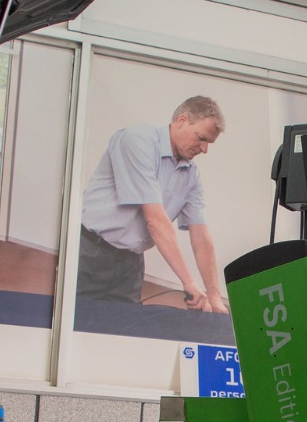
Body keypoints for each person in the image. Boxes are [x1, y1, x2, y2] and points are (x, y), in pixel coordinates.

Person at [77, 96, 229, 313]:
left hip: (131, 262)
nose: (204, 149)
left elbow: (201, 236)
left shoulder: (192, 175)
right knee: (77, 323)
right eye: (201, 138)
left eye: (209, 143)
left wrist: (214, 296)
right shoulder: (136, 141)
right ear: (182, 120)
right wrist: (188, 282)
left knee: (124, 331)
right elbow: (155, 220)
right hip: (90, 252)